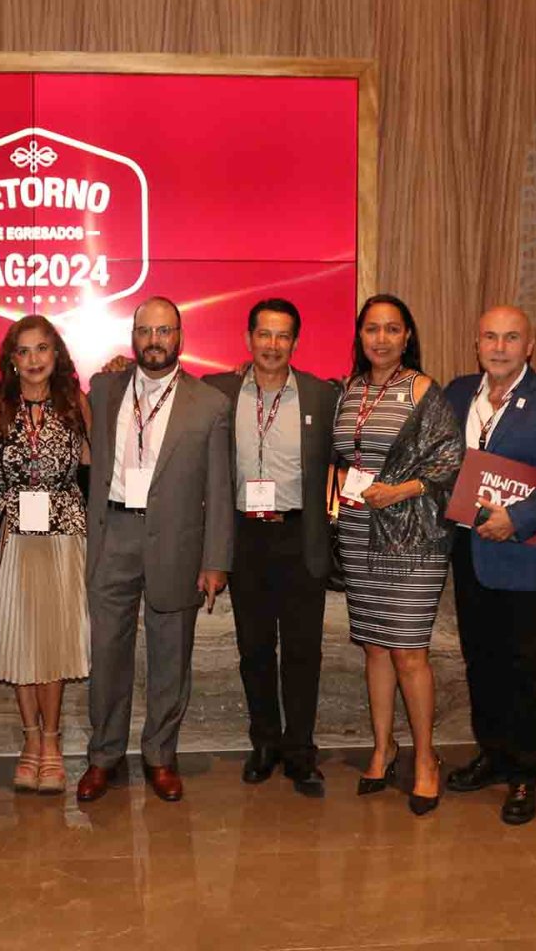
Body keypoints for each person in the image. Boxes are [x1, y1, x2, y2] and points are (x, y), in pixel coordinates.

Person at [76, 297, 234, 804]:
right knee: (107, 655)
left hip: (176, 543)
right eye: (145, 331)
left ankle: (161, 756)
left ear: (180, 337)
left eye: (164, 331)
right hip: (113, 535)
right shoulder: (104, 389)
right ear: (133, 338)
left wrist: (215, 561)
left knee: (171, 656)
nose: (154, 341)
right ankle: (104, 756)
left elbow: (220, 489)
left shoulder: (210, 404)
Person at [442, 305, 536, 825]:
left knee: (527, 669)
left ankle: (525, 772)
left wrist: (518, 518)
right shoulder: (458, 394)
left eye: (511, 338)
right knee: (482, 662)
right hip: (471, 554)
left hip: (530, 558)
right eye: (490, 337)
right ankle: (493, 755)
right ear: (477, 344)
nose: (500, 347)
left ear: (529, 346)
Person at [332, 294, 463, 816]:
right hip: (359, 529)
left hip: (412, 538)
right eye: (372, 329)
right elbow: (340, 455)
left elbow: (451, 462)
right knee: (374, 647)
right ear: (360, 336)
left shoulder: (423, 390)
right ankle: (383, 747)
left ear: (407, 336)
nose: (381, 338)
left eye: (392, 329)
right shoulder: (349, 389)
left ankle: (426, 758)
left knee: (409, 651)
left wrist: (400, 490)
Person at [203, 298, 338, 798]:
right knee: (254, 649)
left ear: (295, 343)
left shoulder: (322, 396)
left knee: (303, 651)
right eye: (264, 334)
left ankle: (300, 751)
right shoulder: (218, 392)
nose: (273, 345)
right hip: (245, 537)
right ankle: (264, 743)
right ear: (248, 339)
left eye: (283, 336)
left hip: (300, 535)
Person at [0, 315, 92, 795]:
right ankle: (29, 741)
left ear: (56, 354)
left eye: (42, 348)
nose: (34, 359)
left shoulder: (74, 402)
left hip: (63, 538)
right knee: (21, 640)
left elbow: (91, 469)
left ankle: (53, 742)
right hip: (9, 538)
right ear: (11, 359)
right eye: (23, 351)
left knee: (53, 642)